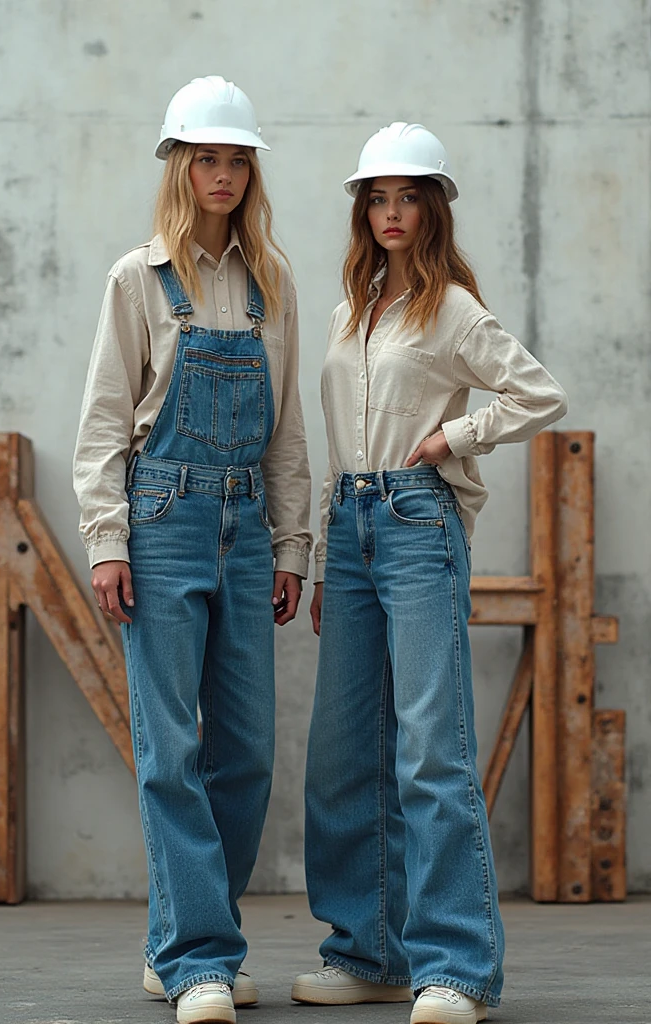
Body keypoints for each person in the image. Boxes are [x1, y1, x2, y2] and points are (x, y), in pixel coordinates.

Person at [292, 122, 567, 1024]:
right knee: (340, 756)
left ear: (433, 207)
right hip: (352, 526)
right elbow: (335, 448)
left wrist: (460, 433)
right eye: (378, 197)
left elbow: (539, 393)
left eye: (409, 196)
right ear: (362, 210)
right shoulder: (349, 310)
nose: (392, 212)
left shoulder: (450, 308)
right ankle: (369, 952)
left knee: (429, 749)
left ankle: (455, 968)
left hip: (418, 520)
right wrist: (329, 560)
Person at [73, 76, 312, 1024]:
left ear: (251, 171)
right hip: (161, 521)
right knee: (170, 748)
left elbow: (288, 431)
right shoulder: (138, 279)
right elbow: (101, 423)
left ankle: (180, 939)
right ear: (181, 167)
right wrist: (105, 540)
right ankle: (200, 959)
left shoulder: (272, 282)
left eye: (236, 159)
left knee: (246, 752)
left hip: (248, 530)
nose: (222, 173)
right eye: (206, 157)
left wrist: (293, 543)